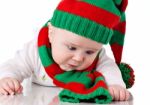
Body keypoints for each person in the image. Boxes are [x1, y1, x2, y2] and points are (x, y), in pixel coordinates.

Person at [0, 0, 134, 103]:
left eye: (89, 52)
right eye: (72, 48)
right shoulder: (35, 50)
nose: (78, 58)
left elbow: (109, 68)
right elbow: (16, 65)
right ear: (51, 34)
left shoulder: (98, 56)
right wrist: (8, 78)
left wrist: (115, 84)